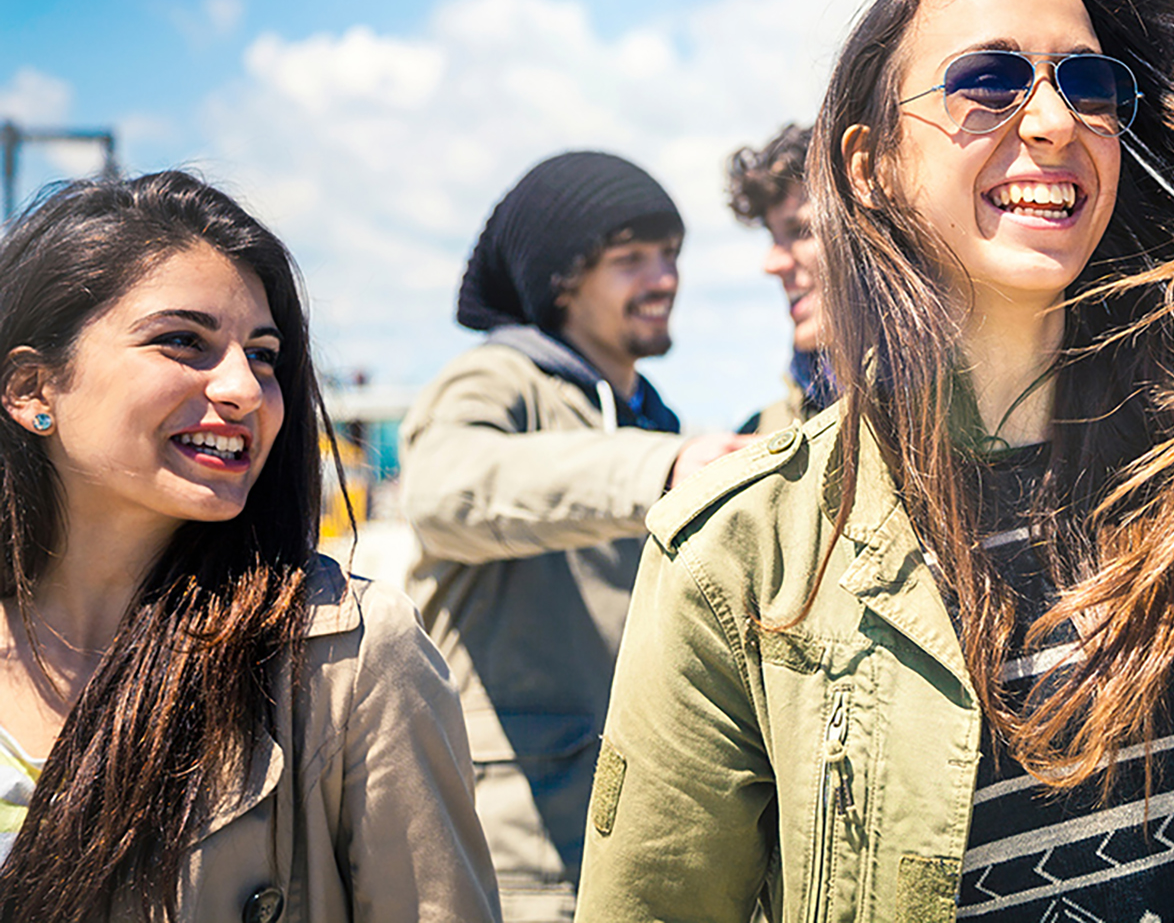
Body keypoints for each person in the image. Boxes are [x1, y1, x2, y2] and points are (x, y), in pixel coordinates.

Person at [575, 0, 1174, 922]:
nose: (1054, 122)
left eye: (1089, 86)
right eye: (990, 80)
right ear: (870, 167)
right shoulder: (738, 555)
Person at [0, 171, 499, 921]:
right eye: (183, 341)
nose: (244, 388)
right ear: (33, 388)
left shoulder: (345, 657)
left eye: (264, 355)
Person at [401, 150, 747, 921]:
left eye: (670, 255)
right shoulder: (496, 380)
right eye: (630, 260)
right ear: (561, 282)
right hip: (521, 858)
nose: (663, 278)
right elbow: (443, 487)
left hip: (630, 849)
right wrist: (665, 466)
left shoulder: (644, 414)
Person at [726, 122, 833, 433]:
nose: (771, 264)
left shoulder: (970, 408)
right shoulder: (757, 439)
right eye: (772, 237)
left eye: (801, 231)